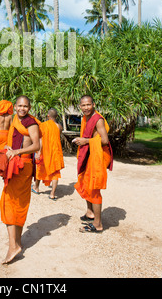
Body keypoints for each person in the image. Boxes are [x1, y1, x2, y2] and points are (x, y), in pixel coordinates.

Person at [0, 95, 40, 264]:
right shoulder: (15, 120)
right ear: (15, 107)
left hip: (24, 166)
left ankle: (12, 246)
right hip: (14, 165)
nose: (22, 109)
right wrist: (11, 148)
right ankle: (17, 242)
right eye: (19, 106)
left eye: (25, 106)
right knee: (17, 203)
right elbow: (17, 142)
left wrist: (17, 152)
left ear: (29, 108)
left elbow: (36, 145)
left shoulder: (31, 123)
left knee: (10, 202)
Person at [73, 95, 113, 233]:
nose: (86, 108)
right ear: (80, 106)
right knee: (85, 183)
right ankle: (90, 213)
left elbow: (105, 140)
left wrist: (86, 141)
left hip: (99, 155)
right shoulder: (86, 118)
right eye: (83, 105)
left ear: (93, 104)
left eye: (88, 105)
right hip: (91, 154)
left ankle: (98, 224)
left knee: (94, 188)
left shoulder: (98, 120)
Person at [33, 108, 64, 200]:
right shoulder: (59, 127)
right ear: (57, 116)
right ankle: (52, 194)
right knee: (55, 172)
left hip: (45, 151)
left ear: (48, 116)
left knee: (40, 168)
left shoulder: (43, 125)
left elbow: (41, 140)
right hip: (55, 152)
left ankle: (36, 188)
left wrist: (38, 152)